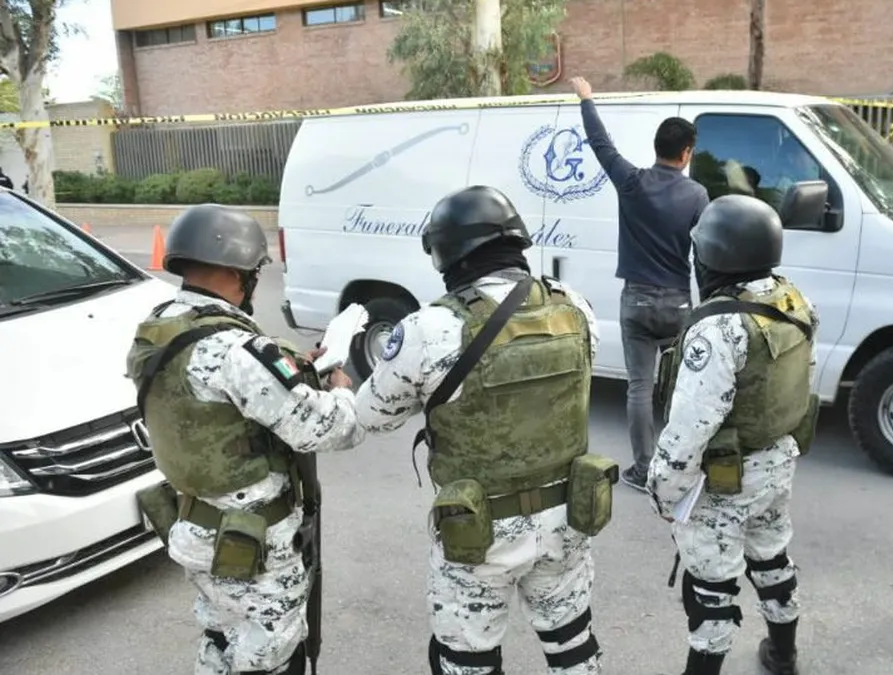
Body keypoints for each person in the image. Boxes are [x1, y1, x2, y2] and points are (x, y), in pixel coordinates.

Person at [354, 185, 611, 675]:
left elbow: (371, 416)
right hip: (567, 516)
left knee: (467, 660)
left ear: (446, 252)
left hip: (479, 534)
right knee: (572, 644)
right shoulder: (575, 308)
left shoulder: (430, 328)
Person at [125, 203, 366, 674]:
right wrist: (340, 392)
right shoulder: (234, 348)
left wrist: (298, 368)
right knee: (270, 654)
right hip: (254, 546)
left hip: (196, 528)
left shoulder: (158, 327)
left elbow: (214, 400)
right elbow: (328, 428)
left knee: (220, 635)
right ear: (240, 273)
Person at [648, 194, 819, 675]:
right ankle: (783, 656)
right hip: (777, 460)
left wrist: (664, 493)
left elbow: (690, 429)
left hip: (725, 480)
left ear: (714, 255)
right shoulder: (792, 300)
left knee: (712, 589)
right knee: (772, 557)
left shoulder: (719, 327)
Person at [569, 75, 711, 493]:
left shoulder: (631, 182)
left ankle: (644, 468)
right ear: (686, 153)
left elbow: (601, 144)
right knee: (685, 388)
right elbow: (705, 254)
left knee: (639, 388)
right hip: (678, 305)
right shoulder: (697, 195)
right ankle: (682, 464)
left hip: (636, 301)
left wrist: (586, 99)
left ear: (656, 148)